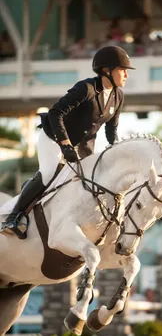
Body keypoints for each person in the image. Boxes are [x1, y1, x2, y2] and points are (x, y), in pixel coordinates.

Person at [1, 46, 135, 239]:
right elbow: (56, 113)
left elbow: (111, 129)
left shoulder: (118, 96)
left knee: (88, 182)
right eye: (122, 70)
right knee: (49, 173)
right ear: (107, 70)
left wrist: (117, 150)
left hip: (83, 146)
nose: (126, 75)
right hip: (54, 137)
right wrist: (64, 143)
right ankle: (12, 217)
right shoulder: (86, 88)